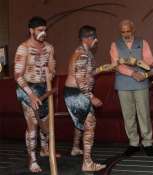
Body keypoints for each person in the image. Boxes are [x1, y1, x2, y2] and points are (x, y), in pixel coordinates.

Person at [14, 16, 60, 173]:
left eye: (45, 30)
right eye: (40, 30)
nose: (43, 33)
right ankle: (32, 159)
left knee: (45, 123)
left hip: (44, 89)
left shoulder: (49, 48)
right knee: (33, 125)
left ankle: (45, 149)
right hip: (27, 89)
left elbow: (53, 67)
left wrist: (51, 74)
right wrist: (31, 95)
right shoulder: (23, 48)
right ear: (31, 30)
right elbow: (18, 75)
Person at [110, 19, 153, 156]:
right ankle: (133, 143)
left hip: (141, 81)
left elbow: (150, 61)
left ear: (133, 29)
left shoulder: (143, 42)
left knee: (144, 113)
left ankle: (147, 143)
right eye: (123, 32)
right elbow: (115, 64)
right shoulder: (114, 44)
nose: (126, 34)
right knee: (128, 115)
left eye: (128, 31)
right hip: (123, 84)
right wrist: (132, 72)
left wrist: (139, 66)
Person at [64, 25, 106, 171]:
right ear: (87, 38)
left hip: (75, 92)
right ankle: (87, 163)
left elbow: (89, 72)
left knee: (80, 121)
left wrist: (102, 68)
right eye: (94, 37)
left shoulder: (84, 52)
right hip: (77, 92)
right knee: (90, 124)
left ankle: (76, 148)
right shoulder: (82, 54)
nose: (96, 40)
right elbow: (81, 79)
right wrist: (92, 97)